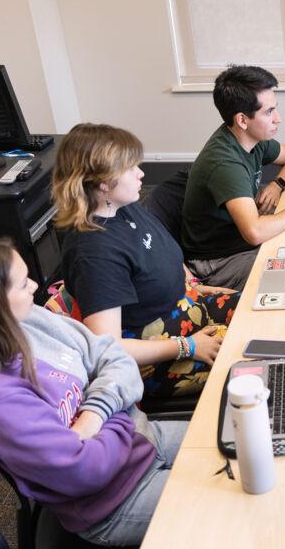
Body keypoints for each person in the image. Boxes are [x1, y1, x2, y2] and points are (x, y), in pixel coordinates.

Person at [0, 237, 187, 546]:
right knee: (230, 504)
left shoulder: (30, 320)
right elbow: (86, 470)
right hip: (115, 501)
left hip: (142, 438)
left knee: (248, 443)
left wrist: (95, 414)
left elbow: (113, 356)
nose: (36, 285)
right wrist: (118, 407)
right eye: (23, 284)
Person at [53, 123, 240, 399]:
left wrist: (194, 287)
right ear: (103, 183)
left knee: (261, 315)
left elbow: (164, 258)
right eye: (130, 168)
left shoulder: (124, 208)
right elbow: (110, 347)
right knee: (248, 362)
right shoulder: (94, 252)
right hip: (158, 358)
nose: (142, 174)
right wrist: (187, 347)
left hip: (190, 312)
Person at [182, 65, 285, 290]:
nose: (278, 119)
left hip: (241, 241)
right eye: (268, 112)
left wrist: (277, 184)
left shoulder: (253, 140)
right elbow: (255, 232)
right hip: (216, 262)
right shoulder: (225, 163)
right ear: (242, 120)